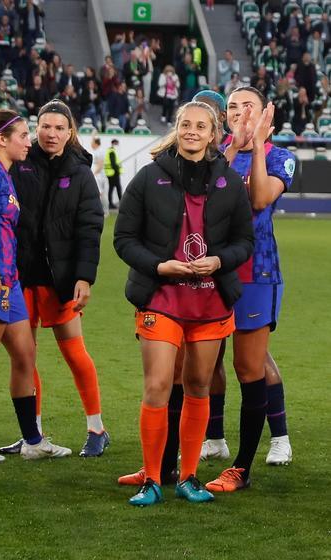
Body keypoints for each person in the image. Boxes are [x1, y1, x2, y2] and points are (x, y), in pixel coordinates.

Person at [113, 101, 254, 506]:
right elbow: (123, 239)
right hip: (161, 296)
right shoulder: (148, 177)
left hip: (211, 302)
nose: (192, 131)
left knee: (197, 386)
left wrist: (221, 260)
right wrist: (160, 266)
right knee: (158, 385)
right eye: (185, 124)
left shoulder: (229, 180)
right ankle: (152, 479)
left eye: (201, 126)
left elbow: (245, 241)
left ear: (214, 134)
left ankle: (188, 477)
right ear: (177, 130)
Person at [0, 109, 71, 463]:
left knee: (25, 355)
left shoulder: (5, 175)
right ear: (1, 140)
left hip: (9, 281)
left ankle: (33, 441)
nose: (29, 140)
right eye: (22, 135)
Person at [2, 100, 107, 457]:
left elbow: (90, 227)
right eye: (45, 126)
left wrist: (84, 276)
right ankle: (34, 434)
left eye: (59, 128)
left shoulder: (79, 172)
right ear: (36, 128)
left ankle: (97, 428)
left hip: (59, 278)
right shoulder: (20, 163)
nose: (51, 134)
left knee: (74, 352)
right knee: (24, 356)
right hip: (20, 276)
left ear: (70, 132)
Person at [204, 87, 295, 493]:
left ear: (265, 115)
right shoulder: (212, 151)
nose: (241, 114)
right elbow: (199, 197)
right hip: (209, 270)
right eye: (235, 108)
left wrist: (255, 147)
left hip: (256, 273)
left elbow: (259, 199)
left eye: (250, 108)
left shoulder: (279, 156)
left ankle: (260, 453)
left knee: (249, 366)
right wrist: (231, 149)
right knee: (207, 361)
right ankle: (214, 438)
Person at [91, 137, 109, 216]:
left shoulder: (99, 151)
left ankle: (105, 211)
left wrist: (94, 173)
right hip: (97, 175)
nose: (91, 144)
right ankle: (102, 210)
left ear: (96, 143)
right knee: (99, 193)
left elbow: (100, 164)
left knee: (100, 193)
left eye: (92, 142)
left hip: (99, 176)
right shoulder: (96, 151)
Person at [104, 138, 123, 210]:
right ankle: (119, 203)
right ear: (113, 143)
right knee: (117, 188)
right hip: (113, 173)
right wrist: (117, 170)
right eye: (117, 144)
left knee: (112, 188)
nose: (118, 145)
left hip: (111, 172)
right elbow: (113, 163)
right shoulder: (111, 151)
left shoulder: (110, 151)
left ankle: (111, 204)